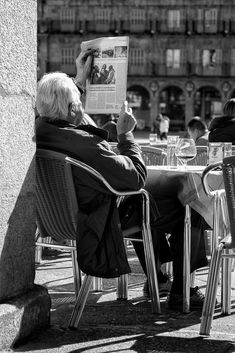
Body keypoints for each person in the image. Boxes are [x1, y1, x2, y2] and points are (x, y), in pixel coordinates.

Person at [36, 47, 206, 310]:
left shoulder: (41, 129)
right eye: (78, 103)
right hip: (100, 221)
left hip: (66, 219)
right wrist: (126, 136)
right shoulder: (84, 143)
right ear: (71, 110)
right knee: (188, 204)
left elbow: (59, 106)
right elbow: (135, 178)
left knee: (153, 202)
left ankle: (158, 276)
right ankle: (182, 291)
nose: (82, 106)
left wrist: (79, 79)